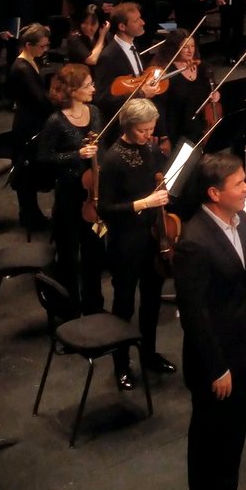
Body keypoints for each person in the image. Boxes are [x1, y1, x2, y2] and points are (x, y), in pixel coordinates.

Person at [174, 151, 246, 490]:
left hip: (244, 348)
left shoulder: (243, 220)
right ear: (215, 193)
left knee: (234, 436)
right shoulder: (194, 242)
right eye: (239, 184)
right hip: (214, 361)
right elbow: (194, 316)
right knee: (210, 440)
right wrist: (217, 367)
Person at [98, 98, 178, 389]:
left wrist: (165, 191)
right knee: (124, 304)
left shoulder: (151, 148)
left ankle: (149, 353)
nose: (149, 135)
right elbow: (104, 210)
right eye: (143, 130)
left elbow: (161, 180)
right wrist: (143, 203)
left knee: (152, 299)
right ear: (129, 127)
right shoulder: (113, 160)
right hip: (125, 242)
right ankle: (121, 364)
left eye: (151, 129)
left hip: (153, 237)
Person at [36, 64, 105, 314]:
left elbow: (102, 147)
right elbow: (44, 157)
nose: (93, 89)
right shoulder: (56, 121)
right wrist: (77, 154)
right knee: (68, 254)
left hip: (93, 191)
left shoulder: (95, 112)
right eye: (88, 85)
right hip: (69, 193)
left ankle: (94, 305)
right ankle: (69, 309)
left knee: (94, 250)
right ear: (73, 90)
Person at [93, 3, 162, 145]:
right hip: (122, 132)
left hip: (139, 126)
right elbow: (101, 98)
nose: (143, 22)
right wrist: (140, 93)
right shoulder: (109, 56)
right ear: (122, 27)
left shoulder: (133, 46)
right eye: (136, 20)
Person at [7, 24, 53, 230]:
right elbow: (40, 100)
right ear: (28, 45)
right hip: (27, 125)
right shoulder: (21, 68)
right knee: (26, 173)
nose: (44, 50)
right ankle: (29, 215)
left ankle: (32, 213)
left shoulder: (31, 61)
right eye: (41, 46)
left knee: (31, 173)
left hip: (33, 120)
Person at [153, 29, 218, 146]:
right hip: (176, 132)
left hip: (201, 129)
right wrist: (163, 136)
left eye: (192, 46)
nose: (190, 51)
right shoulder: (166, 72)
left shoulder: (202, 67)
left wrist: (216, 94)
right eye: (185, 47)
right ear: (174, 48)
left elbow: (213, 87)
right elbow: (159, 107)